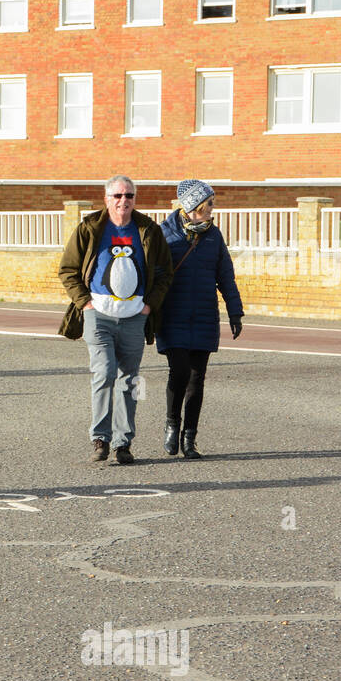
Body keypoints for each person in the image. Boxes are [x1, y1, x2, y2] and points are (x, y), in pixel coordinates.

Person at [58, 174, 174, 465]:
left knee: (129, 380)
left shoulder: (148, 230)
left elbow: (164, 273)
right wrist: (84, 303)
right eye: (118, 196)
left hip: (135, 316)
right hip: (98, 315)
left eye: (129, 196)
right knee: (105, 372)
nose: (124, 201)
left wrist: (149, 306)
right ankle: (100, 439)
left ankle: (123, 443)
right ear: (107, 199)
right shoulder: (89, 228)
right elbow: (68, 270)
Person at [157, 180, 245, 460]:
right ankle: (172, 426)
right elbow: (153, 274)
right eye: (208, 204)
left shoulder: (213, 236)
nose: (211, 209)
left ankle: (189, 439)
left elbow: (225, 277)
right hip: (173, 315)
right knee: (179, 371)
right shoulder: (165, 235)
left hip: (204, 314)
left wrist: (235, 311)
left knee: (197, 378)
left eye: (212, 204)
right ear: (193, 206)